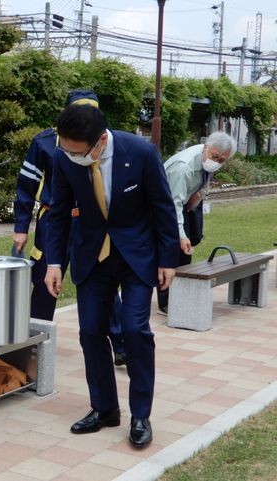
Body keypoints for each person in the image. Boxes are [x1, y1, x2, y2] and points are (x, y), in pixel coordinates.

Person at [44, 104, 180, 448]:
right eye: (66, 149)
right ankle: (104, 409)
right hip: (91, 255)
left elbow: (164, 208)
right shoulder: (64, 158)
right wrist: (55, 263)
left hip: (135, 255)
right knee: (90, 332)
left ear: (101, 142)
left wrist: (168, 260)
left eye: (79, 152)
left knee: (135, 330)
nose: (71, 157)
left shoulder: (142, 153)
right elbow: (57, 214)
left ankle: (140, 414)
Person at [12, 89, 127, 366]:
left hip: (94, 224)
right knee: (44, 281)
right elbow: (27, 185)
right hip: (55, 221)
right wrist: (21, 226)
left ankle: (121, 343)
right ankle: (35, 343)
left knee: (104, 282)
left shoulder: (106, 142)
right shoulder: (45, 143)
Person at [156, 131, 237, 315]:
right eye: (215, 157)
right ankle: (165, 303)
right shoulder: (183, 168)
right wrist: (181, 235)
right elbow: (173, 205)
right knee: (170, 252)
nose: (217, 162)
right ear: (206, 147)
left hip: (183, 203)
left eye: (222, 160)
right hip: (162, 208)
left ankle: (179, 296)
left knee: (185, 254)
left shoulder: (208, 159)